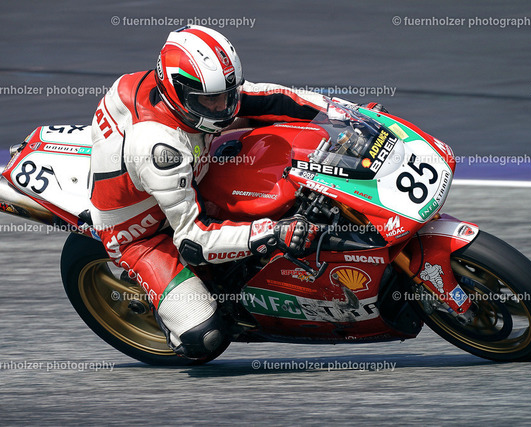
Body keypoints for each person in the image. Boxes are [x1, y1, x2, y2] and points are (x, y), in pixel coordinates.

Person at [89, 25, 375, 359]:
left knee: (280, 137)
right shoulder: (160, 149)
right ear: (177, 92)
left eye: (227, 94)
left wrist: (350, 114)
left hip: (188, 171)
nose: (222, 107)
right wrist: (274, 233)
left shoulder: (198, 94)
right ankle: (174, 312)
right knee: (205, 338)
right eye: (209, 100)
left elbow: (273, 97)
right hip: (145, 231)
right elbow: (194, 240)